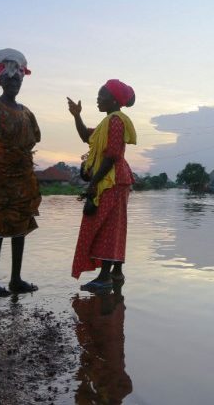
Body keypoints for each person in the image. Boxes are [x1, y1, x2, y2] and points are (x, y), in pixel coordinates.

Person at [0, 48, 41, 297]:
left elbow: (31, 143)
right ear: (0, 80)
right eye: (10, 78)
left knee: (20, 225)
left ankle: (15, 279)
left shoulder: (26, 113)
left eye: (18, 79)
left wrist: (32, 179)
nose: (14, 82)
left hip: (22, 176)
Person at [68, 79, 137, 290]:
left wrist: (92, 184)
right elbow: (85, 137)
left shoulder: (116, 121)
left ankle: (105, 278)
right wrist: (77, 115)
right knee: (114, 225)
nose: (98, 99)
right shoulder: (107, 122)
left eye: (102, 95)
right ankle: (116, 273)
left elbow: (112, 155)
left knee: (107, 226)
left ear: (114, 100)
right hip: (115, 180)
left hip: (112, 180)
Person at [72, 280, 132, 403]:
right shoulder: (123, 389)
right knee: (104, 337)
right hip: (110, 351)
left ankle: (110, 280)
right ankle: (111, 280)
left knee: (101, 338)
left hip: (109, 352)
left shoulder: (122, 389)